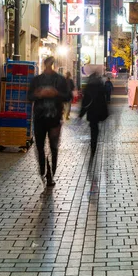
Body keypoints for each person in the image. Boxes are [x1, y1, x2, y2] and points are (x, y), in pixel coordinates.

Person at [28, 56, 71, 186]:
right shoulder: (37, 80)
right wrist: (38, 95)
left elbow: (68, 96)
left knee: (53, 147)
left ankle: (50, 174)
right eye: (47, 64)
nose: (49, 66)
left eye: (51, 64)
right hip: (40, 118)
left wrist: (56, 93)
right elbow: (29, 96)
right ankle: (44, 171)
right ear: (44, 64)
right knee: (40, 146)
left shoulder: (60, 80)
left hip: (54, 118)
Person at [79, 72, 108, 156]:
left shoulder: (89, 87)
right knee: (95, 128)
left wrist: (81, 113)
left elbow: (85, 101)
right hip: (99, 110)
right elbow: (104, 98)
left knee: (93, 127)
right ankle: (94, 143)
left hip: (91, 111)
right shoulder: (100, 86)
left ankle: (93, 144)